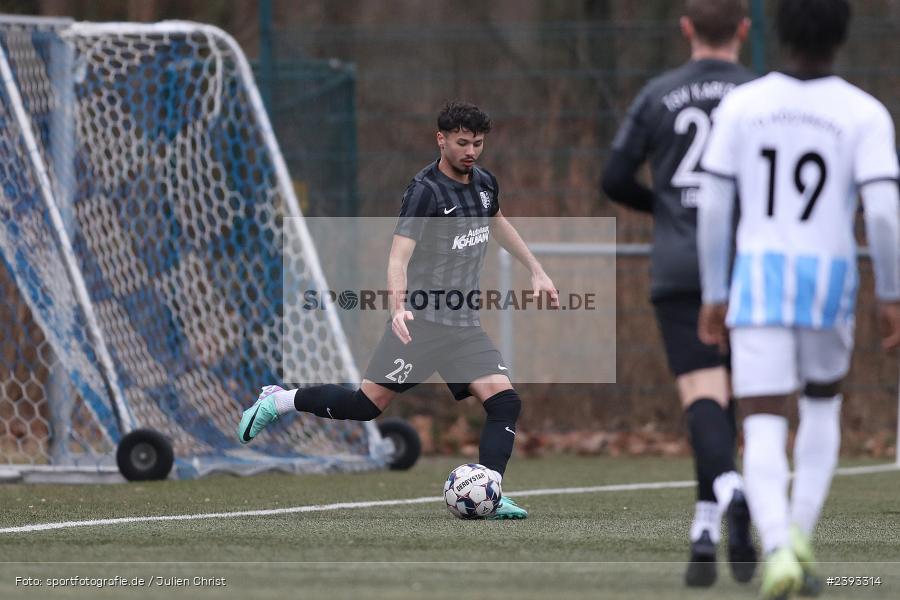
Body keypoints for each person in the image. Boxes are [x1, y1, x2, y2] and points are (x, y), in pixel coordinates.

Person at [237, 101, 559, 520]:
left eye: (478, 143)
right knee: (365, 406)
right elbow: (398, 258)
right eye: (462, 142)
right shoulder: (424, 191)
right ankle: (279, 400)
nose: (471, 151)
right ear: (441, 139)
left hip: (462, 325)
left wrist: (536, 269)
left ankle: (490, 492)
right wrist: (399, 306)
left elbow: (497, 223)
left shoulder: (484, 183)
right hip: (420, 323)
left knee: (505, 403)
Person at [697, 0, 900, 597]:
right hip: (829, 281)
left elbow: (714, 205)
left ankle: (779, 550)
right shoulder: (864, 112)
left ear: (779, 31)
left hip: (758, 278)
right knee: (820, 406)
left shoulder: (744, 104)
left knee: (762, 420)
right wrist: (891, 292)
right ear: (842, 33)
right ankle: (800, 535)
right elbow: (883, 213)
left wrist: (714, 291)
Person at [601, 0, 756, 587]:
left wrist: (665, 207)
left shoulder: (657, 93)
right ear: (744, 29)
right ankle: (723, 503)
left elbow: (614, 179)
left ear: (686, 27)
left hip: (680, 266)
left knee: (703, 399)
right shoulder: (761, 94)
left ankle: (708, 523)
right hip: (750, 264)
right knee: (734, 399)